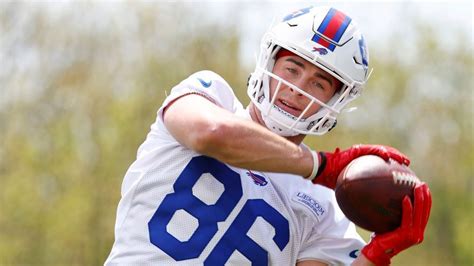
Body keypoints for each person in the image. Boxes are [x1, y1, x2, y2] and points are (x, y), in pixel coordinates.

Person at [105, 5, 431, 265]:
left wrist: (375, 257)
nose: (298, 89)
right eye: (292, 69)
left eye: (319, 83)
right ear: (269, 62)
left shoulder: (325, 209)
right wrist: (319, 166)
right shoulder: (209, 95)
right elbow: (212, 133)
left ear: (336, 101)